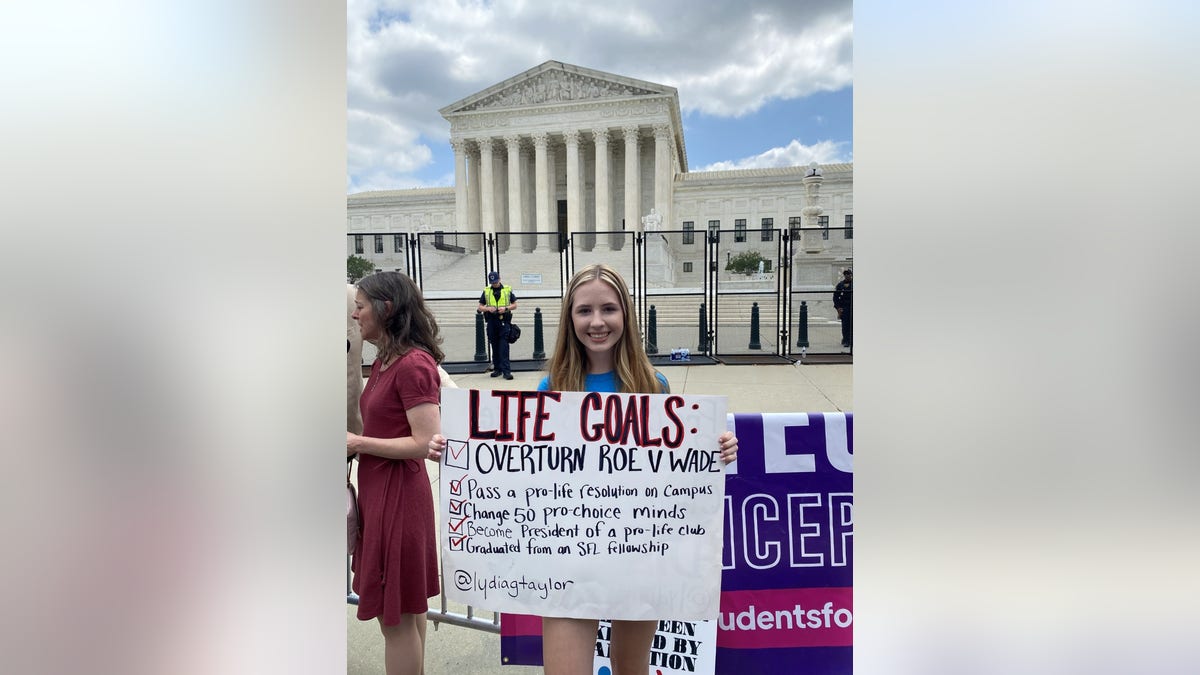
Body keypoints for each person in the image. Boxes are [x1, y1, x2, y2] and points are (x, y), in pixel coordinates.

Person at [432, 263, 739, 675]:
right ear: (569, 318)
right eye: (584, 311)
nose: (597, 322)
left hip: (640, 558)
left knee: (633, 670)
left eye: (608, 309)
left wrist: (719, 449)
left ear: (626, 315)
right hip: (566, 565)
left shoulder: (655, 386)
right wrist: (457, 448)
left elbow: (678, 473)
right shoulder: (552, 386)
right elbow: (521, 468)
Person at [348, 271, 445, 675]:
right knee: (406, 611)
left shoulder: (411, 364)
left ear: (386, 309)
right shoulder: (387, 359)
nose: (355, 316)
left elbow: (426, 442)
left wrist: (357, 443)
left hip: (398, 497)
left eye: (361, 306)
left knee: (397, 621)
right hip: (384, 493)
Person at [478, 270, 518, 380]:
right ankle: (497, 369)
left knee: (504, 347)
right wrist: (488, 309)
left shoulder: (507, 290)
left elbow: (515, 305)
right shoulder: (486, 291)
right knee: (494, 346)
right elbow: (480, 307)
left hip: (504, 321)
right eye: (492, 282)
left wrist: (505, 309)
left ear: (499, 279)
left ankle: (506, 371)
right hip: (491, 321)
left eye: (495, 281)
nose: (494, 284)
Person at [833, 268, 853, 348]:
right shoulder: (840, 285)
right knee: (845, 325)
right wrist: (838, 307)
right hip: (844, 307)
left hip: (853, 307)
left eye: (849, 274)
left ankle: (852, 340)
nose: (847, 275)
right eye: (846, 274)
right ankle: (846, 340)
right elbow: (835, 297)